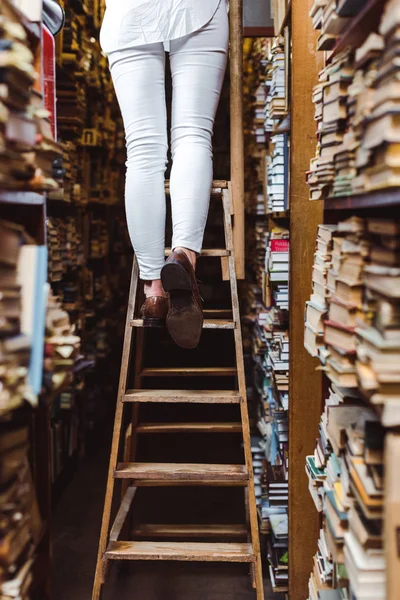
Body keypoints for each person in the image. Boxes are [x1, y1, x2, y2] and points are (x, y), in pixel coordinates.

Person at [100, 0, 229, 349]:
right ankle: (184, 257)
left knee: (143, 151)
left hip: (129, 15)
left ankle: (154, 290)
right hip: (197, 9)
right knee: (192, 134)